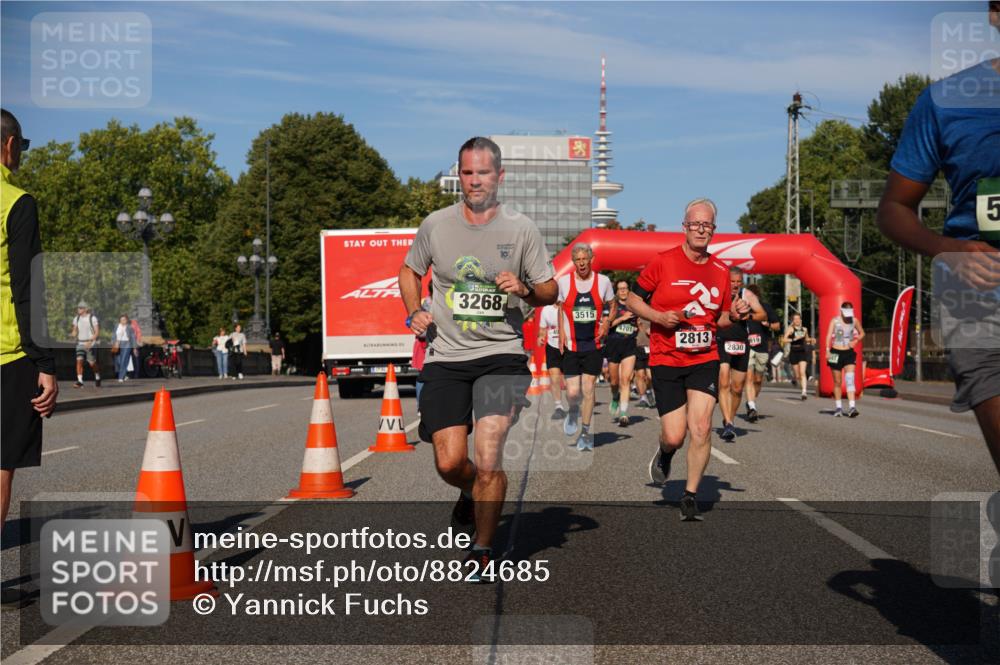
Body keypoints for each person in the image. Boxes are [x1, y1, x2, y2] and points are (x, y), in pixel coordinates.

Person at [398, 136, 557, 580]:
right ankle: (472, 493)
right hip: (446, 356)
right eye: (467, 173)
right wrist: (414, 310)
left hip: (501, 357)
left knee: (488, 456)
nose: (474, 181)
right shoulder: (436, 225)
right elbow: (409, 270)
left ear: (499, 176)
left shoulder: (521, 229)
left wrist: (525, 289)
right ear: (460, 176)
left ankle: (484, 550)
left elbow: (551, 290)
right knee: (449, 461)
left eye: (483, 172)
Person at [876, 2, 1000, 474]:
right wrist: (950, 249)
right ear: (994, 14)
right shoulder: (947, 100)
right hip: (983, 301)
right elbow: (893, 208)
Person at [626, 198, 751, 521]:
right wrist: (658, 316)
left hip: (704, 357)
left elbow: (721, 318)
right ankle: (666, 453)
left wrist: (734, 314)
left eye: (706, 225)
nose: (700, 229)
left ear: (713, 230)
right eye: (695, 224)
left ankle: (690, 495)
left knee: (701, 427)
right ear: (684, 227)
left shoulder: (721, 270)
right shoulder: (663, 262)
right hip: (666, 358)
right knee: (674, 435)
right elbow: (633, 299)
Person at [1, 108, 58, 606]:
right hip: (6, 354)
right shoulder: (16, 202)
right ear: (9, 145)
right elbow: (27, 287)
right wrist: (45, 362)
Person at [557, 243, 615, 450]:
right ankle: (573, 411)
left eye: (584, 259)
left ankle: (585, 432)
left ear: (591, 259)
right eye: (577, 260)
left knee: (588, 388)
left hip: (594, 344)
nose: (581, 263)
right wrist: (561, 332)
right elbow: (560, 308)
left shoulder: (603, 282)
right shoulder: (564, 282)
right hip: (572, 345)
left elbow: (613, 304)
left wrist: (607, 323)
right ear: (573, 262)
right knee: (573, 392)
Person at [715, 266, 765, 441]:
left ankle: (730, 418)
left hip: (741, 343)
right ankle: (728, 423)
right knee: (723, 381)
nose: (735, 285)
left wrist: (747, 316)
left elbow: (762, 314)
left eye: (738, 282)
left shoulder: (747, 296)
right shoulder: (718, 294)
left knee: (737, 388)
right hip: (721, 340)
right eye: (732, 281)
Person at [606, 280, 640, 427]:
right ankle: (615, 397)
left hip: (629, 346)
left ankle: (624, 414)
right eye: (620, 289)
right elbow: (606, 327)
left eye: (625, 288)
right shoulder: (612, 307)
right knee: (614, 382)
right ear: (616, 291)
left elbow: (638, 325)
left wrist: (637, 327)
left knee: (626, 379)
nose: (623, 291)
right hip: (614, 345)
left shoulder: (635, 306)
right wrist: (622, 318)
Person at [825, 301, 865, 417]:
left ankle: (852, 407)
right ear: (841, 311)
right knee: (837, 382)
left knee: (849, 379)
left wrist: (856, 340)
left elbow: (862, 333)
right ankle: (838, 408)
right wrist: (827, 350)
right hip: (835, 352)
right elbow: (828, 336)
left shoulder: (854, 321)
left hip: (849, 353)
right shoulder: (834, 321)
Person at [536, 301, 567, 419]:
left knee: (570, 382)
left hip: (568, 346)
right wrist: (540, 337)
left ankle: (574, 404)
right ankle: (558, 407)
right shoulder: (546, 309)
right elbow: (543, 330)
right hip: (552, 347)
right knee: (554, 378)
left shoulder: (569, 307)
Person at [782, 312, 814, 401]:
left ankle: (804, 392)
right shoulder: (790, 329)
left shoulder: (804, 329)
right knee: (797, 375)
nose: (797, 320)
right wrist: (793, 339)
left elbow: (806, 339)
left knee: (802, 372)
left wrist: (811, 339)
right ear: (793, 320)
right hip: (794, 352)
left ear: (800, 320)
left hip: (802, 352)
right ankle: (794, 379)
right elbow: (784, 339)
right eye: (795, 319)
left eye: (798, 319)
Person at [70, 300, 101, 388]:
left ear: (85, 309)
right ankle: (80, 381)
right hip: (80, 342)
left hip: (90, 342)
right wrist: (73, 333)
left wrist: (91, 341)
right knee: (79, 361)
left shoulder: (92, 318)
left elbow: (97, 332)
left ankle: (97, 376)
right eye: (78, 308)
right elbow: (75, 330)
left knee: (92, 363)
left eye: (80, 308)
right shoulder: (76, 318)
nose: (78, 309)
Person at [635, 318, 655, 408]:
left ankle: (649, 390)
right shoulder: (635, 316)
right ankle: (643, 398)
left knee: (650, 375)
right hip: (637, 347)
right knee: (640, 375)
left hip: (650, 348)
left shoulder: (651, 315)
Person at [112, 314, 136, 383]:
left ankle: (120, 377)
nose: (123, 321)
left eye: (124, 320)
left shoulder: (129, 327)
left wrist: (134, 347)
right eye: (121, 320)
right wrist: (114, 342)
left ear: (127, 320)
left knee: (123, 360)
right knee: (118, 361)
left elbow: (133, 337)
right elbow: (114, 335)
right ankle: (125, 374)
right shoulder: (117, 326)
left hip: (127, 344)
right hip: (118, 344)